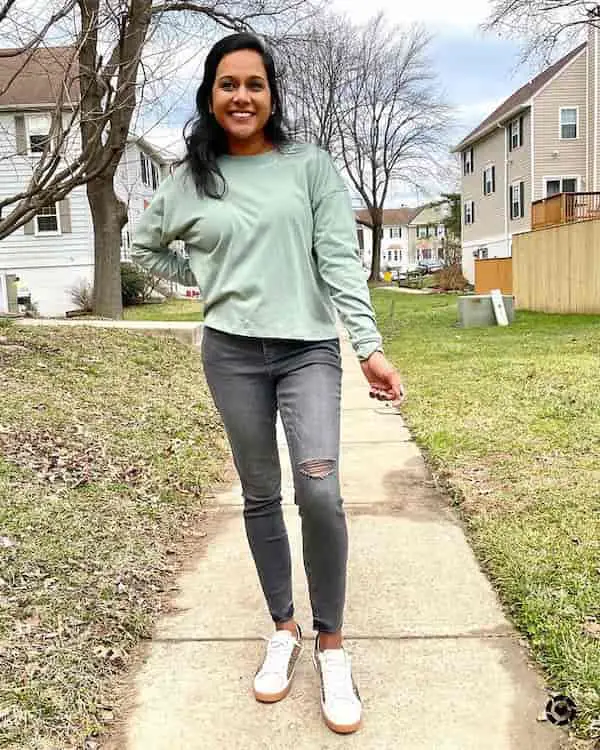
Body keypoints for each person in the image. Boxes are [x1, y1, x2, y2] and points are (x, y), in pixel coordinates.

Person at [131, 32, 404, 735]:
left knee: (319, 487)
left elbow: (339, 259)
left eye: (254, 84)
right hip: (230, 354)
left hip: (307, 349)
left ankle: (332, 645)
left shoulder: (309, 167)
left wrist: (368, 346)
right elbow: (145, 246)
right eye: (228, 84)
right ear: (210, 96)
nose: (242, 96)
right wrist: (200, 281)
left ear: (272, 94)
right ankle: (282, 629)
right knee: (259, 495)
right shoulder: (191, 179)